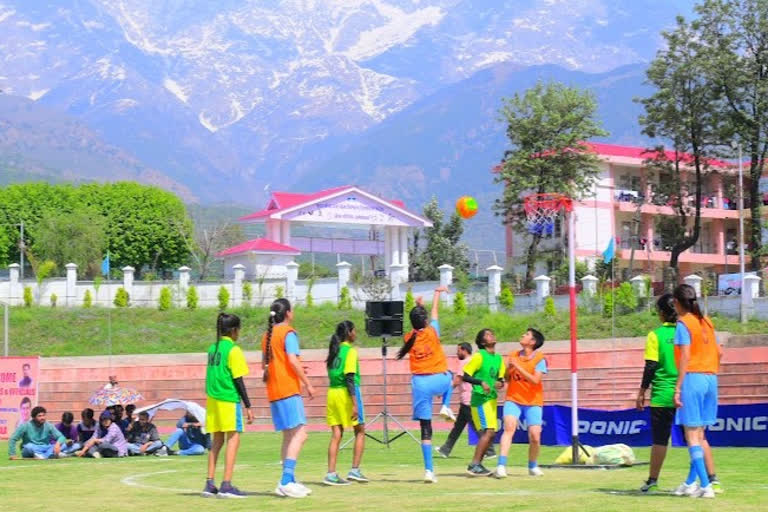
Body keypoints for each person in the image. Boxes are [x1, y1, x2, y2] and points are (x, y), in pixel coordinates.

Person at [636, 295, 722, 494]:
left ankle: (653, 480)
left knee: (660, 439)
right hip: (696, 385)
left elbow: (651, 365)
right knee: (699, 437)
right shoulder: (696, 327)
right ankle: (711, 478)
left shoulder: (655, 335)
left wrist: (642, 392)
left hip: (666, 393)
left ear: (662, 313)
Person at [396, 286, 452, 483]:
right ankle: (445, 405)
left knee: (426, 429)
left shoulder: (408, 338)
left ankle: (429, 471)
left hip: (419, 384)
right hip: (438, 378)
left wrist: (417, 307)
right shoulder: (432, 331)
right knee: (451, 376)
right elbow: (435, 312)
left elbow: (416, 323)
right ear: (426, 321)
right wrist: (436, 294)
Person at [671, 284, 722, 499]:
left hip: (693, 378)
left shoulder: (684, 323)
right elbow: (720, 352)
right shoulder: (706, 321)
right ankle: (691, 482)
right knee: (699, 435)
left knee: (691, 435)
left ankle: (705, 485)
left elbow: (684, 357)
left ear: (677, 302)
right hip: (711, 378)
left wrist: (678, 387)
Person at [262, 298, 316, 498]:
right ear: (288, 313)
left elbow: (267, 364)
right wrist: (307, 383)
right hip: (287, 389)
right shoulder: (288, 333)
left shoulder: (267, 336)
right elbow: (292, 360)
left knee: (288, 436)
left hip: (274, 390)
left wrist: (296, 369)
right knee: (301, 434)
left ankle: (287, 480)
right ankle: (286, 479)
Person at [204, 312, 253, 499]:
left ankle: (209, 483)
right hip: (228, 399)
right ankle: (226, 484)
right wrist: (248, 405)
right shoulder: (233, 350)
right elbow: (238, 379)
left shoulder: (212, 349)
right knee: (233, 439)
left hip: (213, 400)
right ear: (234, 330)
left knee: (216, 441)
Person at [495, 328, 547, 478]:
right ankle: (501, 465)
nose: (523, 335)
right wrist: (507, 370)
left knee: (535, 436)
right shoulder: (513, 355)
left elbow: (535, 380)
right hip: (513, 399)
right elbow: (508, 378)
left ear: (533, 342)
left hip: (533, 401)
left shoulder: (540, 359)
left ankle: (532, 465)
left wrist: (518, 366)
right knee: (509, 428)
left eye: (527, 334)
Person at [323, 320, 368, 486]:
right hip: (346, 393)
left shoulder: (334, 351)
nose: (356, 333)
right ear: (349, 332)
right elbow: (349, 378)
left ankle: (331, 473)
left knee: (336, 434)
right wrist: (355, 403)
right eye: (355, 330)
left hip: (332, 393)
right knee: (360, 430)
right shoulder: (350, 351)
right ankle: (355, 470)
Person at [436, 343, 496, 459]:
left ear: (464, 350)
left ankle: (490, 450)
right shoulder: (474, 361)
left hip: (468, 400)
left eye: (458, 350)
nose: (457, 353)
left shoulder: (464, 363)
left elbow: (457, 380)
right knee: (458, 427)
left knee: (476, 426)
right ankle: (445, 449)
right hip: (467, 399)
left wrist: (444, 392)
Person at [463, 328, 505, 476]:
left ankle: (478, 464)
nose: (492, 335)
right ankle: (474, 464)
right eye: (487, 334)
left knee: (491, 434)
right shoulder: (479, 357)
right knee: (488, 432)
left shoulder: (499, 358)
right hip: (480, 400)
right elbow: (465, 376)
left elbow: (500, 379)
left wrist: (500, 383)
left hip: (492, 400)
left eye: (492, 333)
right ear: (482, 342)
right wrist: (481, 382)